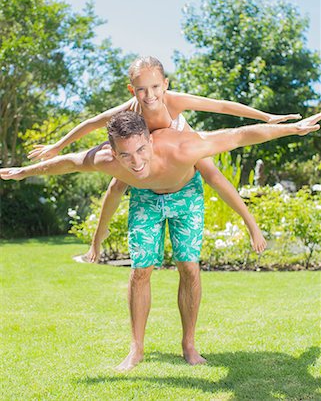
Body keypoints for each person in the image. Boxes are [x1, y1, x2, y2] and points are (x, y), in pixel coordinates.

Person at [2, 111, 320, 372]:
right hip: (145, 199)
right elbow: (66, 162)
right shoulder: (105, 160)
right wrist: (22, 172)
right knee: (140, 270)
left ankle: (189, 346)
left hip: (186, 196)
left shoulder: (183, 147)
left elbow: (238, 135)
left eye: (141, 150)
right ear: (113, 153)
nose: (136, 161)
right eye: (125, 155)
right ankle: (136, 349)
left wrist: (294, 129)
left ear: (151, 141)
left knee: (190, 268)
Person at [27, 57, 301, 262]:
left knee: (212, 175)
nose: (149, 95)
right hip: (146, 149)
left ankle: (251, 225)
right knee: (116, 185)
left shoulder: (174, 100)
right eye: (141, 89)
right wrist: (57, 145)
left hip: (179, 137)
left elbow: (222, 107)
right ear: (131, 89)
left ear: (165, 84)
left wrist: (267, 117)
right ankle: (96, 244)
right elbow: (92, 122)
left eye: (155, 87)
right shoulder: (132, 106)